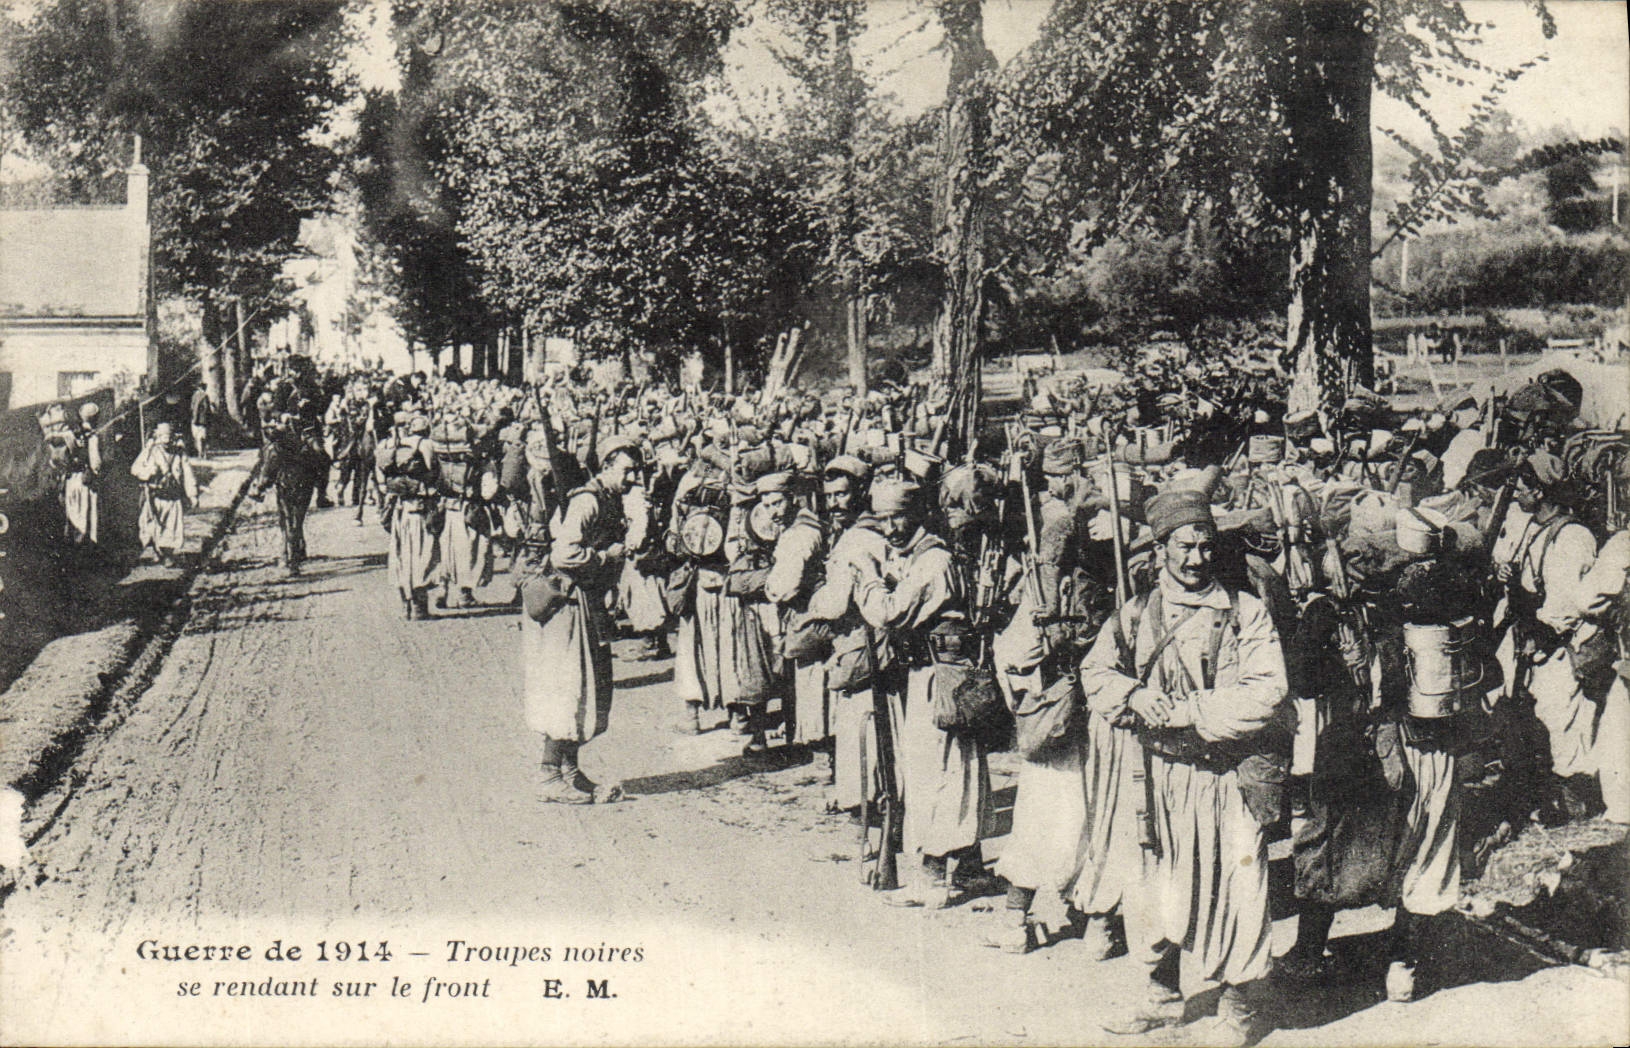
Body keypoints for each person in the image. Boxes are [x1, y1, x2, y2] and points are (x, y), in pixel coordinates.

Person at [1080, 486, 1288, 1046]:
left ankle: (1239, 1010)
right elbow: (1095, 673)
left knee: (1237, 887)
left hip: (1225, 776)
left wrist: (1192, 711)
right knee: (1152, 889)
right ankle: (1161, 996)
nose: (1195, 559)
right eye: (1183, 548)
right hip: (1154, 777)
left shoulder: (1245, 613)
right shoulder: (1136, 613)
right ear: (1160, 550)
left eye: (1204, 547)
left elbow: (1268, 691)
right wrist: (1133, 694)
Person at [855, 477, 993, 910]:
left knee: (935, 774)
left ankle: (934, 876)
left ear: (919, 515)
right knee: (952, 770)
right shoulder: (920, 556)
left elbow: (891, 614)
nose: (892, 527)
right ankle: (968, 866)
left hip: (939, 678)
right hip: (932, 673)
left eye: (900, 516)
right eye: (884, 519)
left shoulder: (933, 561)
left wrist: (868, 582)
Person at [526, 434, 639, 804]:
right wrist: (606, 557)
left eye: (636, 471)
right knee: (569, 685)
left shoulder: (607, 498)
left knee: (591, 686)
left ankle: (570, 770)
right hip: (569, 606)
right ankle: (547, 775)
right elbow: (565, 554)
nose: (633, 478)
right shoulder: (588, 501)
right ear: (606, 466)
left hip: (586, 603)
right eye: (627, 470)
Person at [131, 422, 198, 567]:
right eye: (163, 438)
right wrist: (148, 473)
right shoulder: (151, 451)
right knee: (153, 525)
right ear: (158, 437)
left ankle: (168, 555)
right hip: (154, 496)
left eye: (169, 438)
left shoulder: (179, 453)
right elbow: (135, 469)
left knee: (171, 526)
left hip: (172, 496)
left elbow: (188, 474)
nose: (166, 443)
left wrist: (192, 494)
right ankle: (158, 551)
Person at [63, 402, 103, 548]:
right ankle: (87, 549)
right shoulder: (92, 437)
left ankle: (73, 545)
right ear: (95, 418)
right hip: (85, 480)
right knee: (87, 513)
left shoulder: (69, 434)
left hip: (70, 479)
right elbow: (95, 463)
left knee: (73, 512)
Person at [189, 385, 213, 460]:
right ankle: (204, 454)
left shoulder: (194, 396)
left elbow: (192, 407)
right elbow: (207, 409)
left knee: (197, 437)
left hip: (195, 420)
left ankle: (200, 454)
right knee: (203, 437)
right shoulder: (205, 396)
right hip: (203, 420)